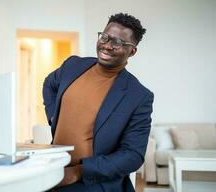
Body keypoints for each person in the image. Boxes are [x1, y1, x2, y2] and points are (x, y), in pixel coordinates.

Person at [43, 13, 154, 192]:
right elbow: (49, 84)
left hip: (93, 181)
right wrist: (53, 116)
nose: (107, 45)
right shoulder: (73, 66)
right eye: (104, 37)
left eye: (118, 42)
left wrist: (78, 172)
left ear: (132, 51)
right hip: (54, 168)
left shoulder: (139, 96)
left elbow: (133, 155)